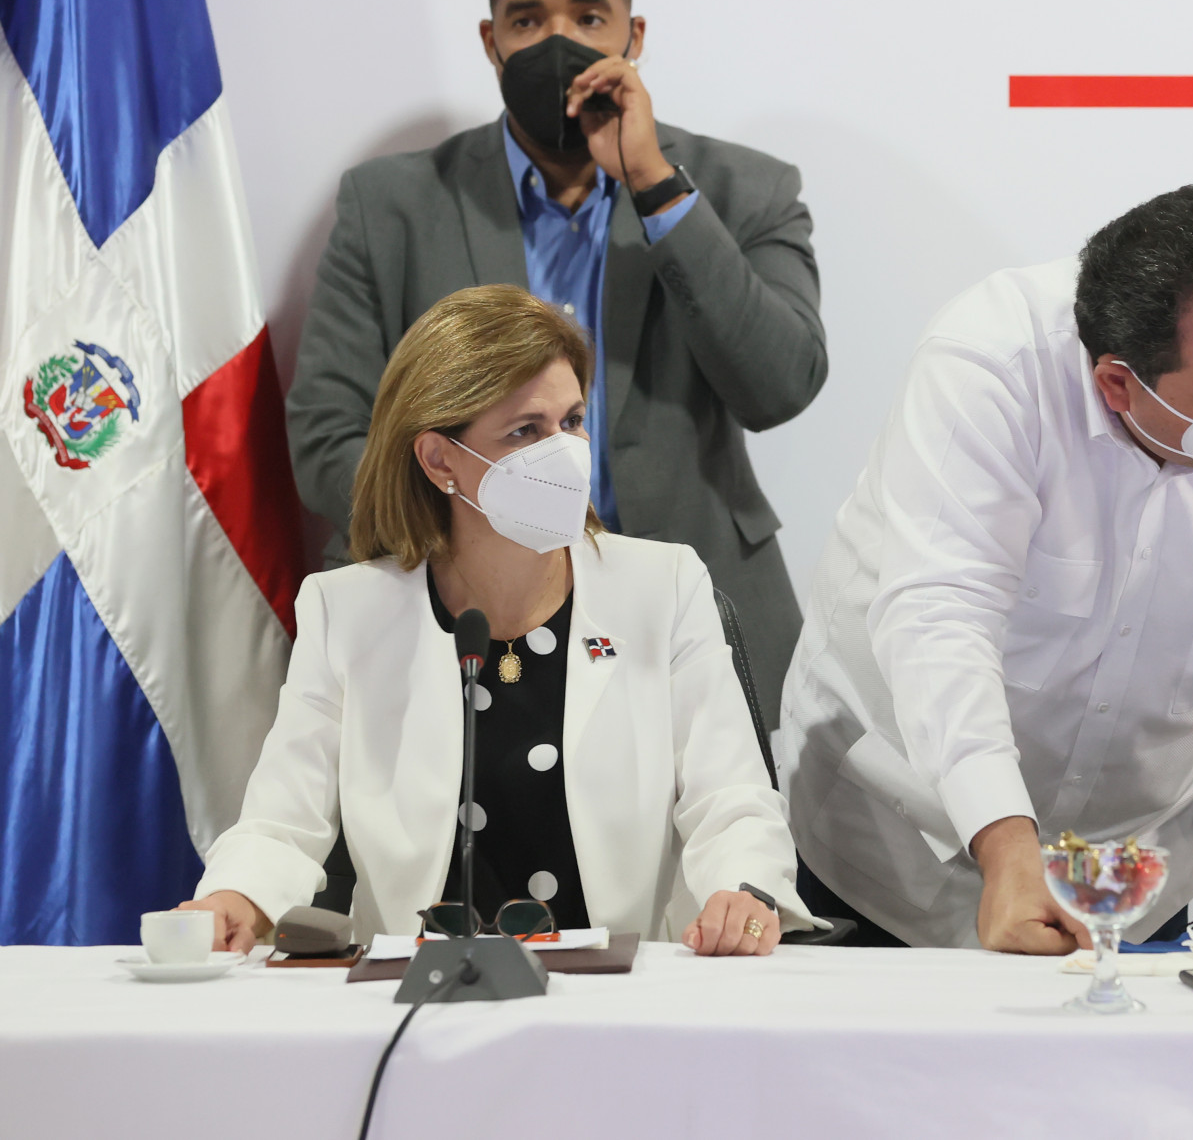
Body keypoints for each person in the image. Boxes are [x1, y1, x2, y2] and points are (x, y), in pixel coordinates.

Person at [782, 186, 1193, 950]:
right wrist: (1006, 844)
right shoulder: (991, 364)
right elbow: (939, 614)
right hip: (893, 840)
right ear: (1118, 383)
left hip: (1128, 872)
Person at [287, 0, 824, 720]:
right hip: (458, 621)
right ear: (491, 40)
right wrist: (478, 544)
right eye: (528, 21)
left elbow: (779, 385)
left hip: (690, 620)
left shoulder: (745, 188)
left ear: (634, 36)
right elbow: (327, 435)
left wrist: (655, 185)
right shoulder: (391, 204)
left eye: (589, 17)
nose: (559, 42)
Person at [183, 287, 815, 955]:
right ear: (439, 460)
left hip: (618, 990)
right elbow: (281, 820)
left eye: (572, 420)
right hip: (414, 994)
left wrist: (743, 892)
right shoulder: (347, 612)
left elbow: (732, 799)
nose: (565, 451)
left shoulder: (664, 587)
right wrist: (236, 899)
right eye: (525, 431)